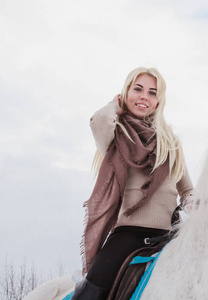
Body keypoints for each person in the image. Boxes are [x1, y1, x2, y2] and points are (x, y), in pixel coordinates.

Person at [71, 67, 194, 300]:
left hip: (169, 235)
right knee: (91, 291)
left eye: (152, 92)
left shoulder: (171, 142)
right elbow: (98, 120)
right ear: (125, 93)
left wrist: (196, 204)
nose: (144, 97)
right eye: (137, 89)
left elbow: (187, 190)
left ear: (159, 101)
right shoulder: (115, 135)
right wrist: (115, 104)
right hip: (128, 235)